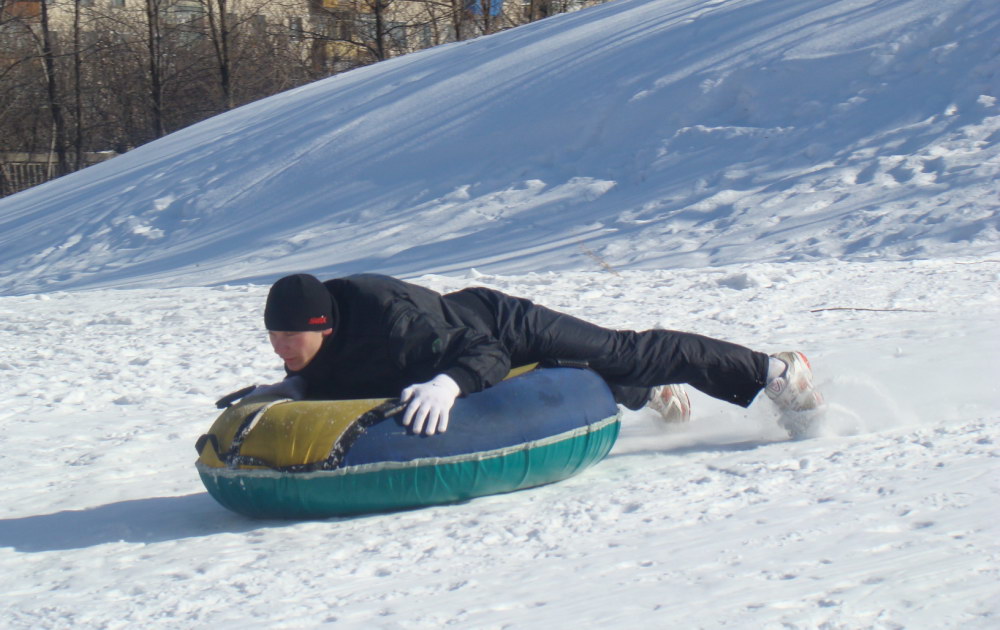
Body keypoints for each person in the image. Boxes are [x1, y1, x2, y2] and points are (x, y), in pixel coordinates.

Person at [253, 272, 824, 435]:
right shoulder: (317, 339)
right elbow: (342, 372)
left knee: (625, 352)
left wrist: (448, 384)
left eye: (289, 340)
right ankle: (648, 395)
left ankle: (773, 371)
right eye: (274, 339)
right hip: (461, 334)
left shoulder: (396, 323)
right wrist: (296, 387)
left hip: (503, 325)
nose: (282, 349)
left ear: (322, 327)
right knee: (579, 374)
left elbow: (486, 353)